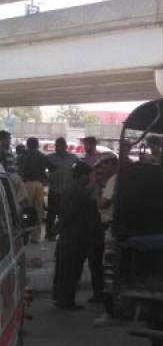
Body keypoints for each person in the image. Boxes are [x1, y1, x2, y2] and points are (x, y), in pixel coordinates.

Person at [52, 162, 101, 311]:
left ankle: (61, 298)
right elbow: (81, 210)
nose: (90, 178)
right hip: (75, 236)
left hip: (68, 235)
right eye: (89, 175)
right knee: (71, 270)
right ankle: (67, 301)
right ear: (83, 175)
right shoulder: (79, 191)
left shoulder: (71, 188)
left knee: (64, 269)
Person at [93, 154, 119, 325]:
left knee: (108, 271)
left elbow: (102, 204)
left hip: (112, 229)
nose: (99, 170)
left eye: (102, 165)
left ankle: (110, 314)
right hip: (116, 227)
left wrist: (97, 191)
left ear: (111, 164)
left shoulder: (113, 180)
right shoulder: (117, 179)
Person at [46, 137, 78, 240]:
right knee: (51, 213)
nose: (56, 148)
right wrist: (46, 178)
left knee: (64, 214)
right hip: (54, 189)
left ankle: (63, 234)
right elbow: (42, 169)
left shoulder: (73, 158)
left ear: (65, 147)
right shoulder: (50, 158)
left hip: (67, 191)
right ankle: (50, 234)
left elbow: (79, 171)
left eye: (59, 146)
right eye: (56, 145)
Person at [20, 137, 49, 242]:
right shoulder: (42, 156)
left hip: (27, 184)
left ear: (28, 144)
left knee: (26, 210)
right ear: (37, 145)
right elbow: (47, 170)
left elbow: (21, 170)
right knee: (38, 210)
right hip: (39, 184)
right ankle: (36, 237)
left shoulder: (24, 155)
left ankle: (25, 235)